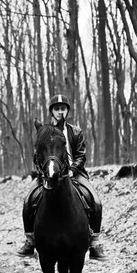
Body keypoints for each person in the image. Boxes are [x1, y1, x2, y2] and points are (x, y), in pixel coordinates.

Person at [16, 94, 107, 261]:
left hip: (75, 174)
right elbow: (37, 156)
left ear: (67, 111)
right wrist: (42, 171)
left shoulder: (76, 131)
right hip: (49, 174)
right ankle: (30, 241)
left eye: (63, 108)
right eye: (56, 109)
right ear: (51, 111)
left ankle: (94, 243)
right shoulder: (45, 131)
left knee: (96, 201)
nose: (60, 112)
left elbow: (81, 155)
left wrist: (73, 169)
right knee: (28, 200)